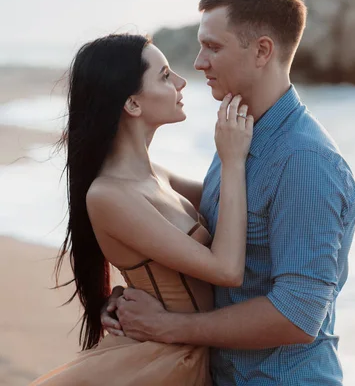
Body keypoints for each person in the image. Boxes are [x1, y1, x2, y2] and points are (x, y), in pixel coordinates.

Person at [103, 0, 355, 384]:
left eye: (212, 47)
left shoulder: (306, 163)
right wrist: (136, 301)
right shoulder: (238, 133)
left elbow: (298, 316)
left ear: (261, 51)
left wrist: (167, 326)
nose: (198, 63)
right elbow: (176, 217)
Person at [31, 33, 253, 385]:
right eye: (165, 76)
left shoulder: (158, 177)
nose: (181, 82)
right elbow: (226, 270)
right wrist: (232, 160)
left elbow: (240, 204)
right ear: (132, 104)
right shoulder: (108, 194)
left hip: (187, 352)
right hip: (163, 364)